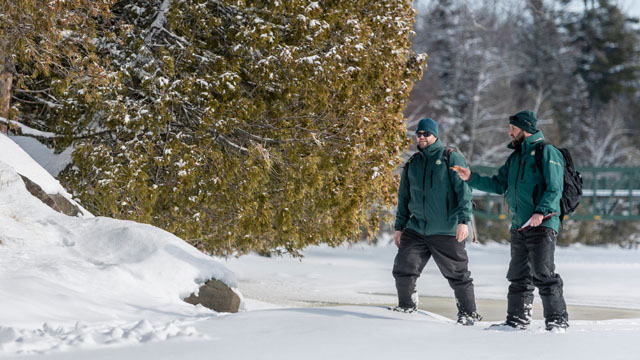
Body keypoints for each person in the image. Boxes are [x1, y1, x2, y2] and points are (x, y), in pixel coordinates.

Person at [451, 110, 569, 331]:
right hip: (519, 225)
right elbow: (498, 184)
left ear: (525, 128)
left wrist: (540, 212)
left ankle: (557, 321)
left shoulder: (547, 152)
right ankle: (517, 320)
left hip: (542, 224)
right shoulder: (515, 157)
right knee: (518, 275)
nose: (509, 132)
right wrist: (471, 178)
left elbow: (555, 188)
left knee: (543, 273)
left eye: (513, 128)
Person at [391, 117, 482, 326]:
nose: (422, 137)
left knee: (458, 274)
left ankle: (468, 314)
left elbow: (464, 192)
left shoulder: (451, 158)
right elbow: (404, 198)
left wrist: (463, 221)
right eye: (419, 134)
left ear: (435, 135)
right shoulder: (413, 163)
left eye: (426, 134)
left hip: (446, 229)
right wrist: (399, 228)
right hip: (416, 228)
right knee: (404, 267)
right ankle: (406, 307)